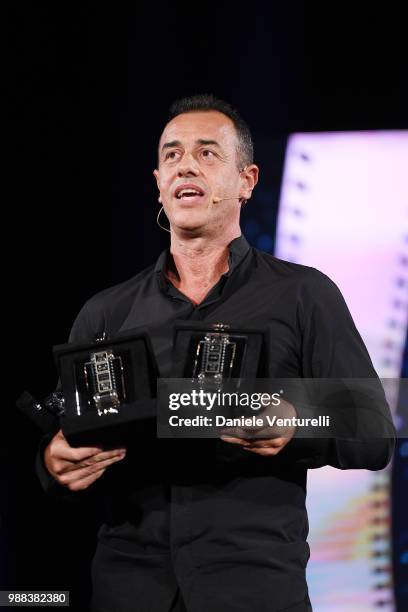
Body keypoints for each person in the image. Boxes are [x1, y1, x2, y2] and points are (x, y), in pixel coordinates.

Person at [37, 94, 395, 612]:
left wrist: (296, 421)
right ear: (158, 183)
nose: (186, 163)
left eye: (208, 153)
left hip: (254, 588)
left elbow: (373, 429)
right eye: (172, 154)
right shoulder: (106, 312)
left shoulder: (303, 294)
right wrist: (54, 462)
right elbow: (68, 438)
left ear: (247, 181)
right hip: (130, 588)